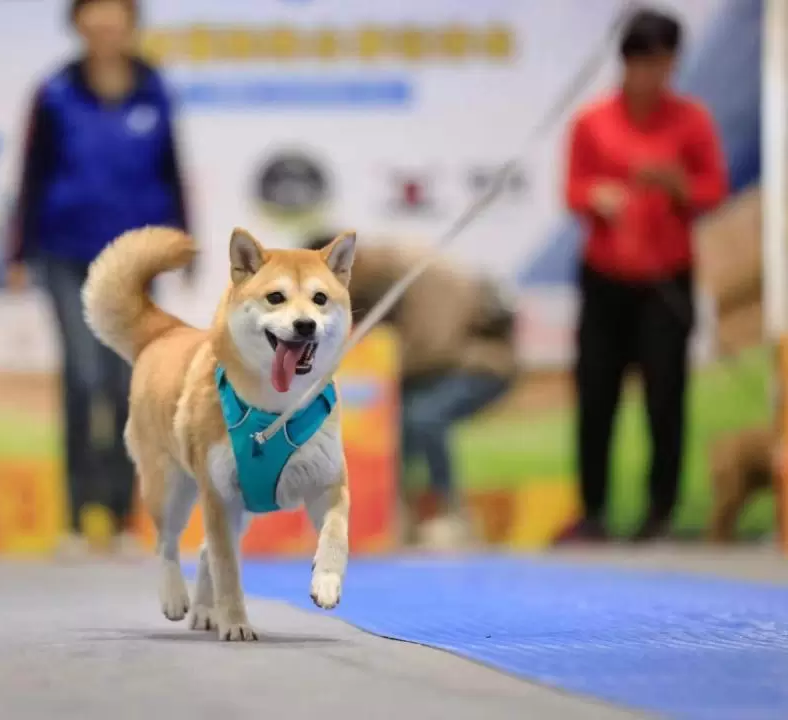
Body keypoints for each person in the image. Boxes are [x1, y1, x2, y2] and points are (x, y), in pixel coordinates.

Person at [9, 0, 190, 553]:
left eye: (117, 12)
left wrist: (183, 240)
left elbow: (172, 170)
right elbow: (32, 173)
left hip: (134, 258)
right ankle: (75, 515)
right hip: (65, 252)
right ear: (78, 21)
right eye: (95, 11)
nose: (106, 23)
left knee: (125, 384)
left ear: (132, 22)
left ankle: (118, 516)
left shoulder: (154, 89)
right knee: (83, 378)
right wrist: (18, 249)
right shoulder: (54, 93)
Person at [558, 8, 727, 544]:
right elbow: (572, 191)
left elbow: (712, 191)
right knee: (596, 393)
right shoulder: (592, 120)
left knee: (666, 395)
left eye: (657, 63)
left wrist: (676, 184)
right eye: (637, 63)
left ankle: (661, 511)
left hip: (666, 279)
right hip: (605, 277)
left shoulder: (691, 120)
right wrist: (597, 196)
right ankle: (594, 511)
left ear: (673, 63)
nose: (646, 74)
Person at [305, 234, 517, 549]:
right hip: (434, 367)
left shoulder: (410, 275)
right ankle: (396, 512)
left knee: (422, 417)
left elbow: (434, 345)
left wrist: (372, 367)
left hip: (477, 363)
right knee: (386, 424)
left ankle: (448, 515)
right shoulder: (373, 277)